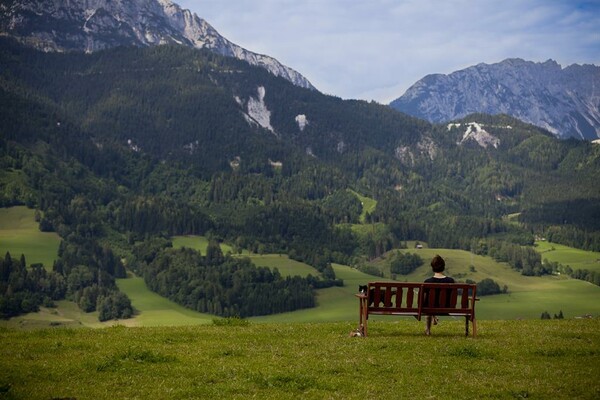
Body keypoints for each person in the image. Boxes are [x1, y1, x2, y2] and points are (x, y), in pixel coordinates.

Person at [424, 255, 454, 335]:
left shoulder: (427, 282)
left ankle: (428, 329)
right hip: (447, 308)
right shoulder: (450, 281)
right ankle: (434, 316)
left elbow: (425, 298)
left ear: (432, 267)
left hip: (430, 308)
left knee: (428, 304)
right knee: (432, 303)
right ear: (443, 267)